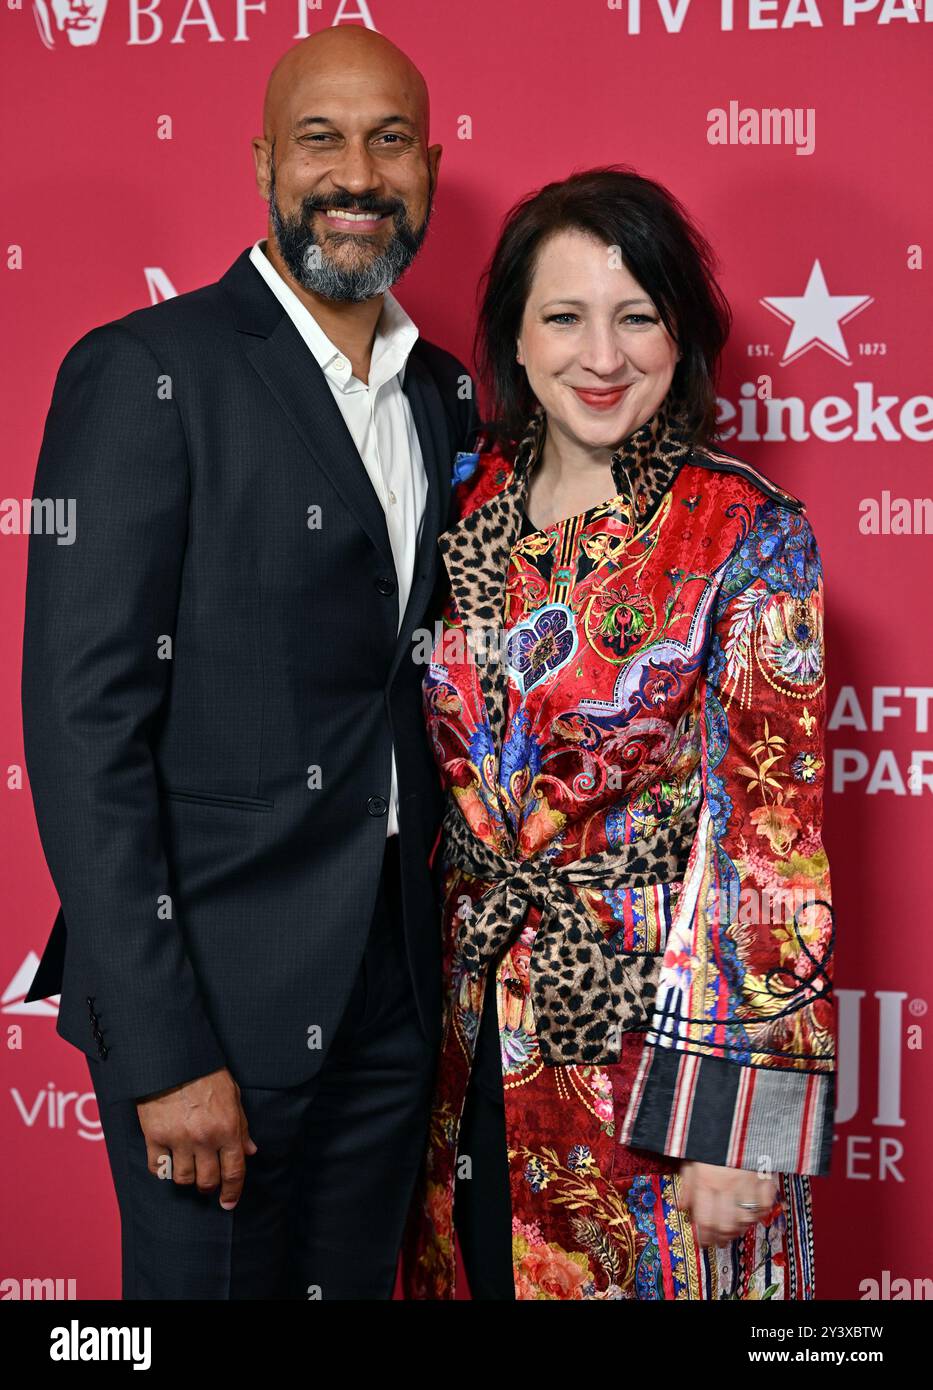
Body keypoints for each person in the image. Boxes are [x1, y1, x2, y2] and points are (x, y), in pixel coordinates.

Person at [21, 27, 477, 1299]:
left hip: (394, 1002)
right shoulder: (146, 372)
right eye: (320, 140)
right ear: (265, 162)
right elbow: (81, 724)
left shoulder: (447, 396)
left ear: (431, 169)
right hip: (210, 999)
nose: (357, 174)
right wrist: (162, 1047)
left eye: (390, 141)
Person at [402, 167, 835, 1301]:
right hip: (459, 1046)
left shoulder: (745, 531)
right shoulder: (458, 503)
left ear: (679, 336)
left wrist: (739, 1127)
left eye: (636, 316)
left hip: (656, 1062)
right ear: (514, 337)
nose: (602, 355)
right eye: (565, 317)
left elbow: (771, 847)